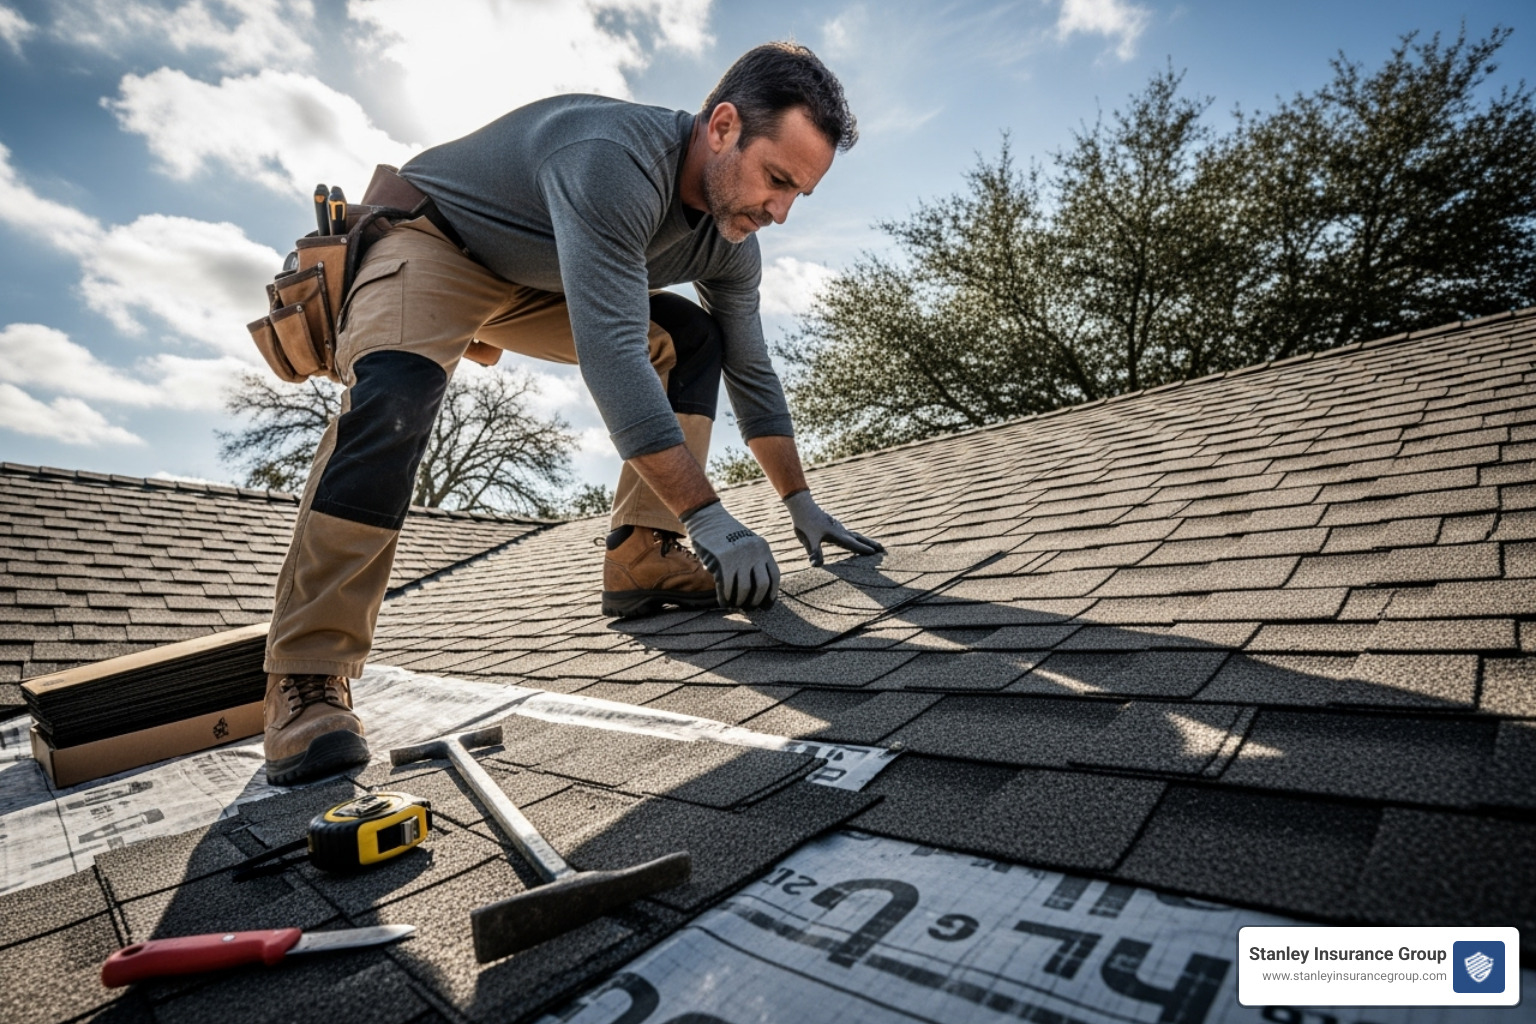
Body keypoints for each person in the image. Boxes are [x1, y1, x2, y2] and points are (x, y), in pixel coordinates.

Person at [259, 42, 884, 785]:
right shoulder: (614, 160)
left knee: (691, 340)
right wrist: (712, 515)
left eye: (797, 196)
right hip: (434, 238)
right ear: (721, 128)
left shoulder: (730, 242)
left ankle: (641, 556)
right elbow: (613, 355)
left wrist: (799, 500)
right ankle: (306, 675)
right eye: (775, 180)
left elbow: (751, 368)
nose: (779, 213)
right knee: (396, 395)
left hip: (536, 273)